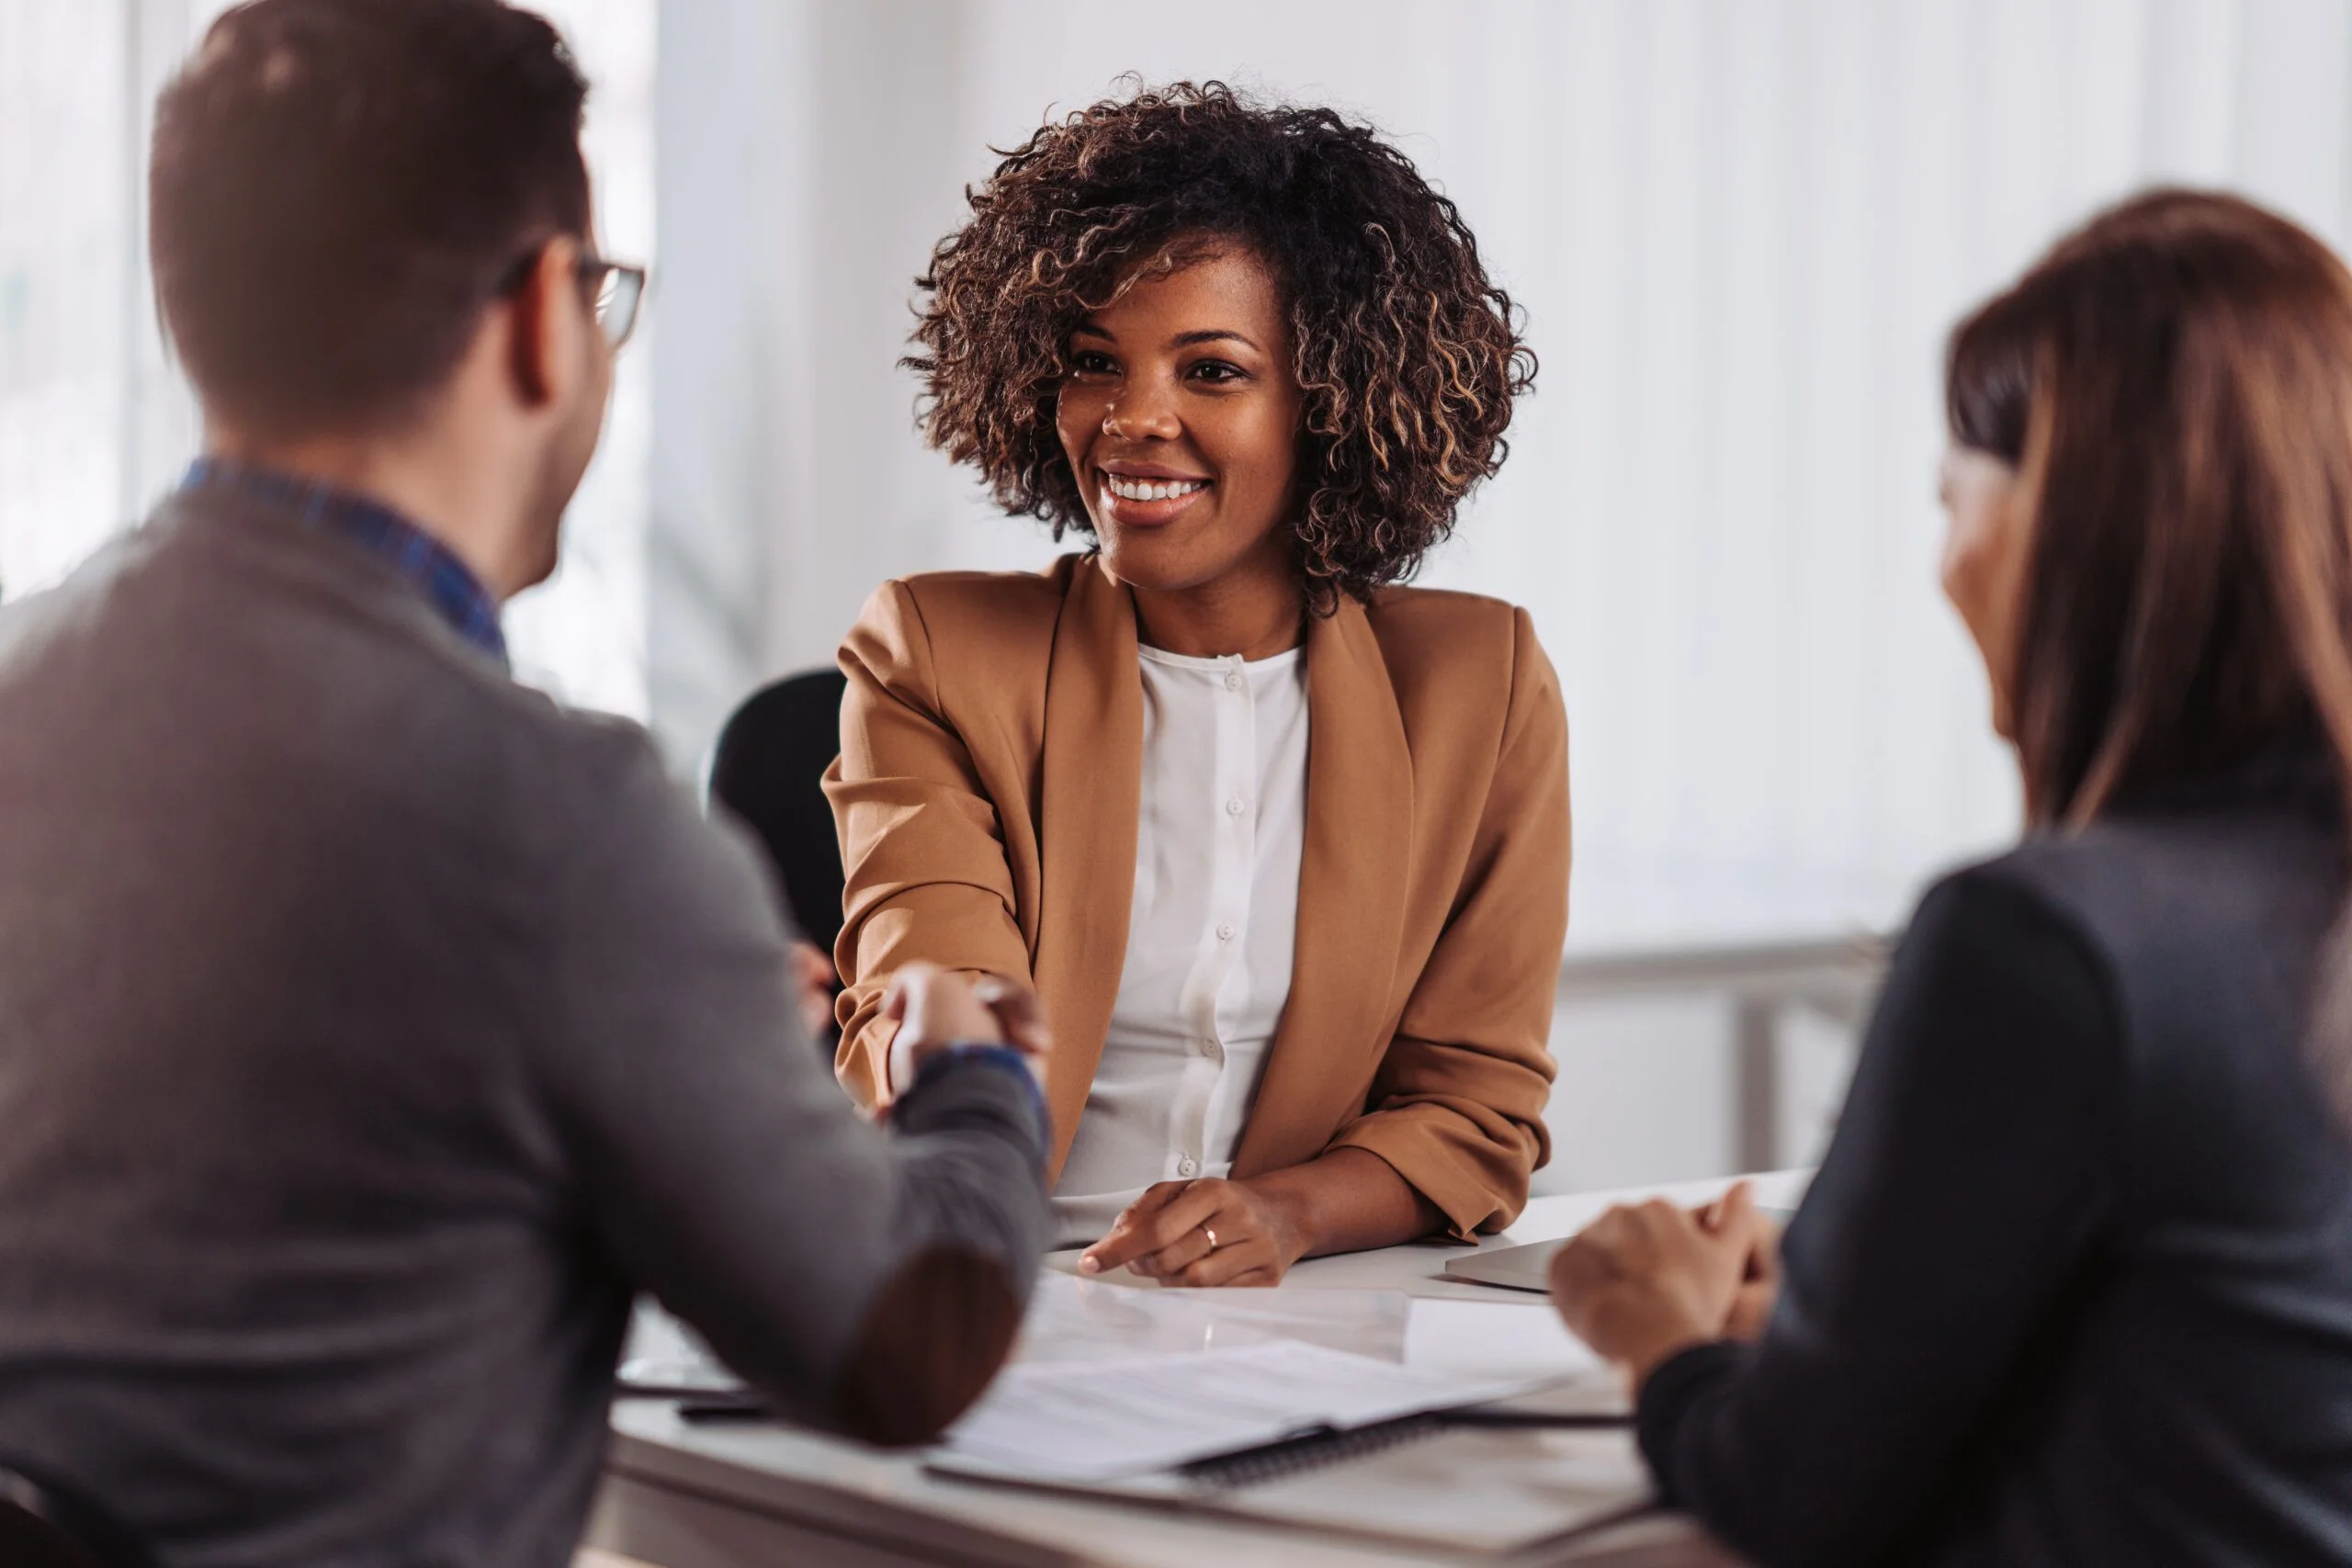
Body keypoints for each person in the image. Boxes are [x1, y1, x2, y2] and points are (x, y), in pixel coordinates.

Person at [0, 4, 1051, 1565]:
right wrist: (974, 1077)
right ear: (545, 319)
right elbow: (902, 1345)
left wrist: (674, 1024)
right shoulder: (562, 822)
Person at [1549, 188, 2352, 1566]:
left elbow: (1792, 1487)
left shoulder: (2046, 939)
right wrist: (1859, 1315)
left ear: (2072, 519)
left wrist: (1661, 1329)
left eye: (1951, 499)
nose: (1943, 566)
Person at [827, 82, 1567, 1285]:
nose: (1131, 419)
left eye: (1211, 370)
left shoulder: (1478, 689)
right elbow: (939, 1001)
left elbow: (1473, 1109)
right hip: (987, 1285)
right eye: (1092, 361)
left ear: (1326, 403)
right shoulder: (937, 652)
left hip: (1301, 1311)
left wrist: (1283, 1213)